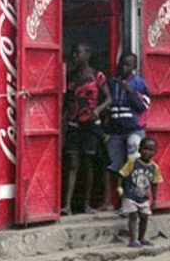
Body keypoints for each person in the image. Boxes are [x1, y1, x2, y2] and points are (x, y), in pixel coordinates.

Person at [62, 43, 111, 215]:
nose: (75, 56)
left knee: (88, 163)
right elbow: (65, 101)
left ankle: (86, 204)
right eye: (73, 53)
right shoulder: (70, 76)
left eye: (78, 53)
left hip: (90, 124)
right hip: (73, 123)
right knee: (73, 163)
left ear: (87, 54)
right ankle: (67, 205)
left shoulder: (97, 76)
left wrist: (97, 110)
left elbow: (108, 98)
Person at [104, 52, 150, 209]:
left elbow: (143, 106)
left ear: (134, 67)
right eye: (121, 64)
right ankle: (109, 201)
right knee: (111, 164)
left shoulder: (139, 83)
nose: (123, 67)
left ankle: (135, 201)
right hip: (115, 131)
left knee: (134, 165)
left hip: (134, 130)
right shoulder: (112, 82)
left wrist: (130, 91)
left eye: (127, 65)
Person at [117, 136, 163, 248]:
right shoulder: (132, 162)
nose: (147, 152)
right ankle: (133, 240)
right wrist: (119, 187)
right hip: (130, 195)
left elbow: (154, 184)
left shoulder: (154, 167)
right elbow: (122, 174)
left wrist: (155, 199)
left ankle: (141, 238)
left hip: (143, 197)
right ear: (139, 149)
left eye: (151, 150)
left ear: (155, 152)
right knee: (133, 216)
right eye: (145, 149)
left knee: (144, 217)